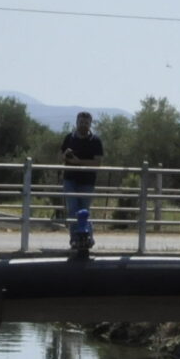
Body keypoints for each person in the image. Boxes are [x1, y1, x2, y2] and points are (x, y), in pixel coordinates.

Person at [58, 110, 105, 258]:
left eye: (86, 123)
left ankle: (88, 239)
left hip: (87, 181)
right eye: (81, 122)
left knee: (84, 211)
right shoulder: (69, 138)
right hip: (70, 179)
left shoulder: (96, 141)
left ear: (90, 124)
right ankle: (75, 240)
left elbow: (97, 162)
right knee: (73, 210)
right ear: (76, 123)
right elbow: (60, 156)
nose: (83, 125)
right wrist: (65, 156)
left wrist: (79, 162)